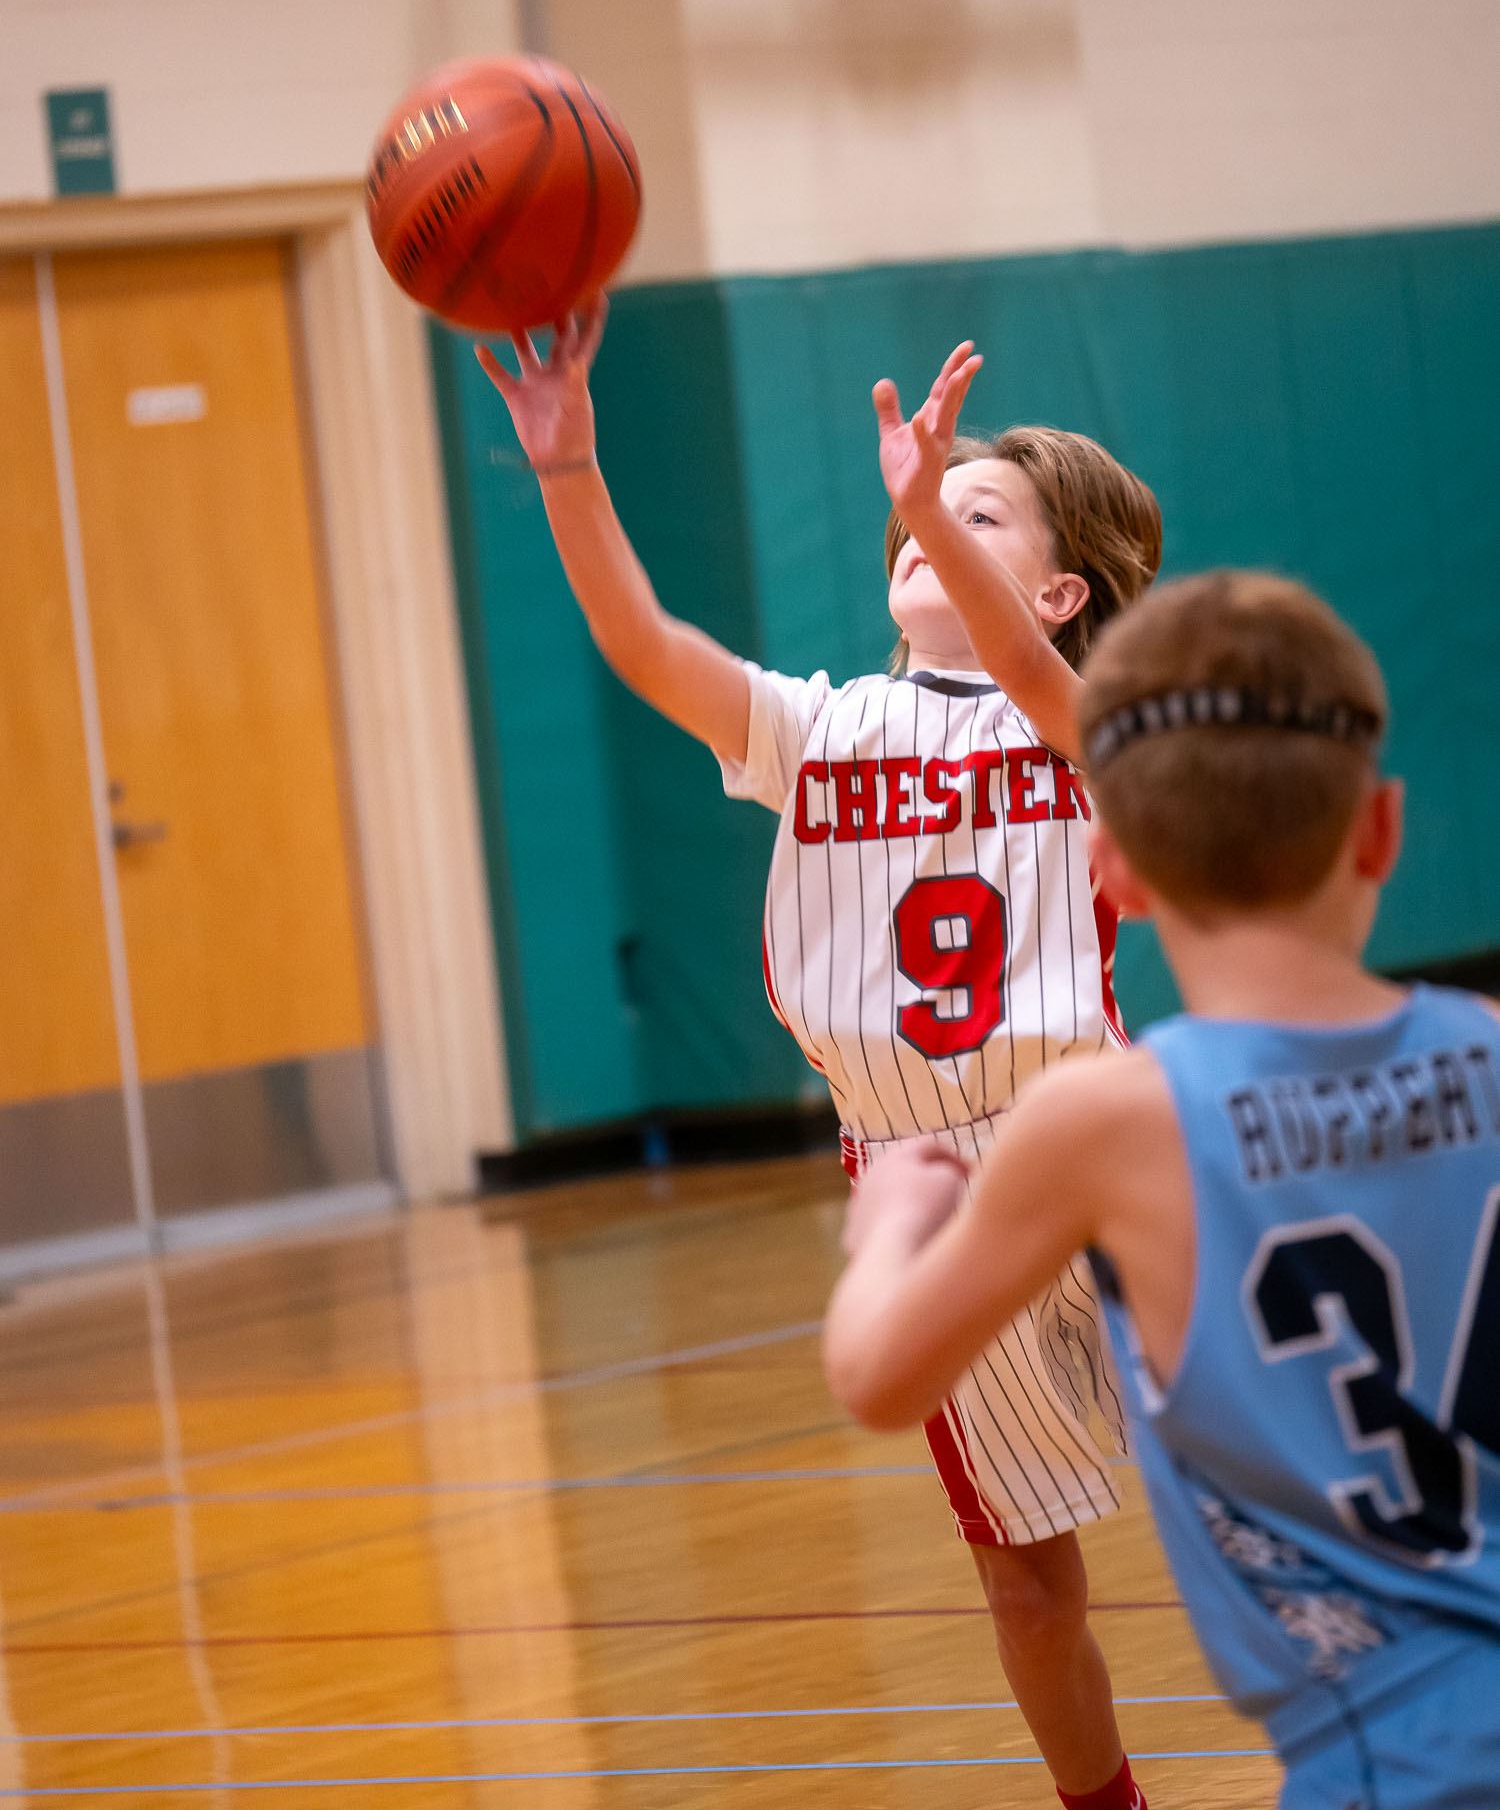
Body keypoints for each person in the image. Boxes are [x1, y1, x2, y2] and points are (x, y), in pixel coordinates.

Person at [477, 296, 1163, 1810]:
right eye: (921, 509)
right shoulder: (820, 727)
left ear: (1059, 595)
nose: (929, 516)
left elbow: (1041, 689)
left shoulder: (1090, 722)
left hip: (1104, 1153)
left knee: (1280, 1492)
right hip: (924, 1186)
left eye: (981, 511)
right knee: (1028, 1588)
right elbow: (642, 644)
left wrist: (925, 493)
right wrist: (569, 466)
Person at [824, 569, 1500, 1809]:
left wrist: (892, 1230)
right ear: (1383, 832)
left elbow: (877, 1374)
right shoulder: (1491, 1049)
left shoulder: (1110, 1119)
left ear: (1112, 874)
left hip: (1392, 1750)